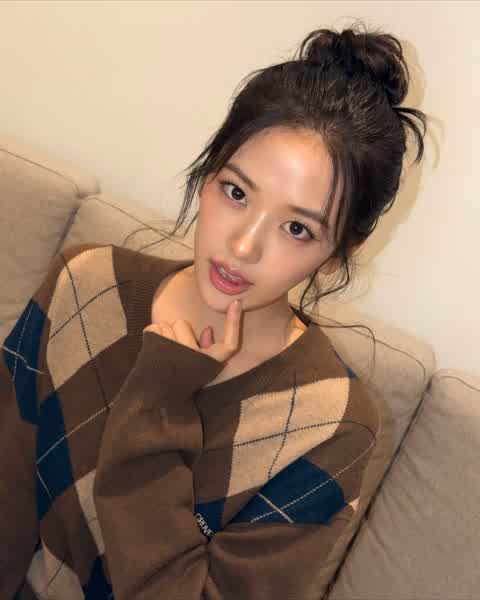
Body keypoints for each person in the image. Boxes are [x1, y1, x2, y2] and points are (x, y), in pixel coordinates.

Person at [0, 20, 428, 600]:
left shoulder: (332, 424)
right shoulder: (86, 286)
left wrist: (158, 401)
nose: (243, 245)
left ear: (338, 254)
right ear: (207, 172)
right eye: (236, 192)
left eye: (297, 228)